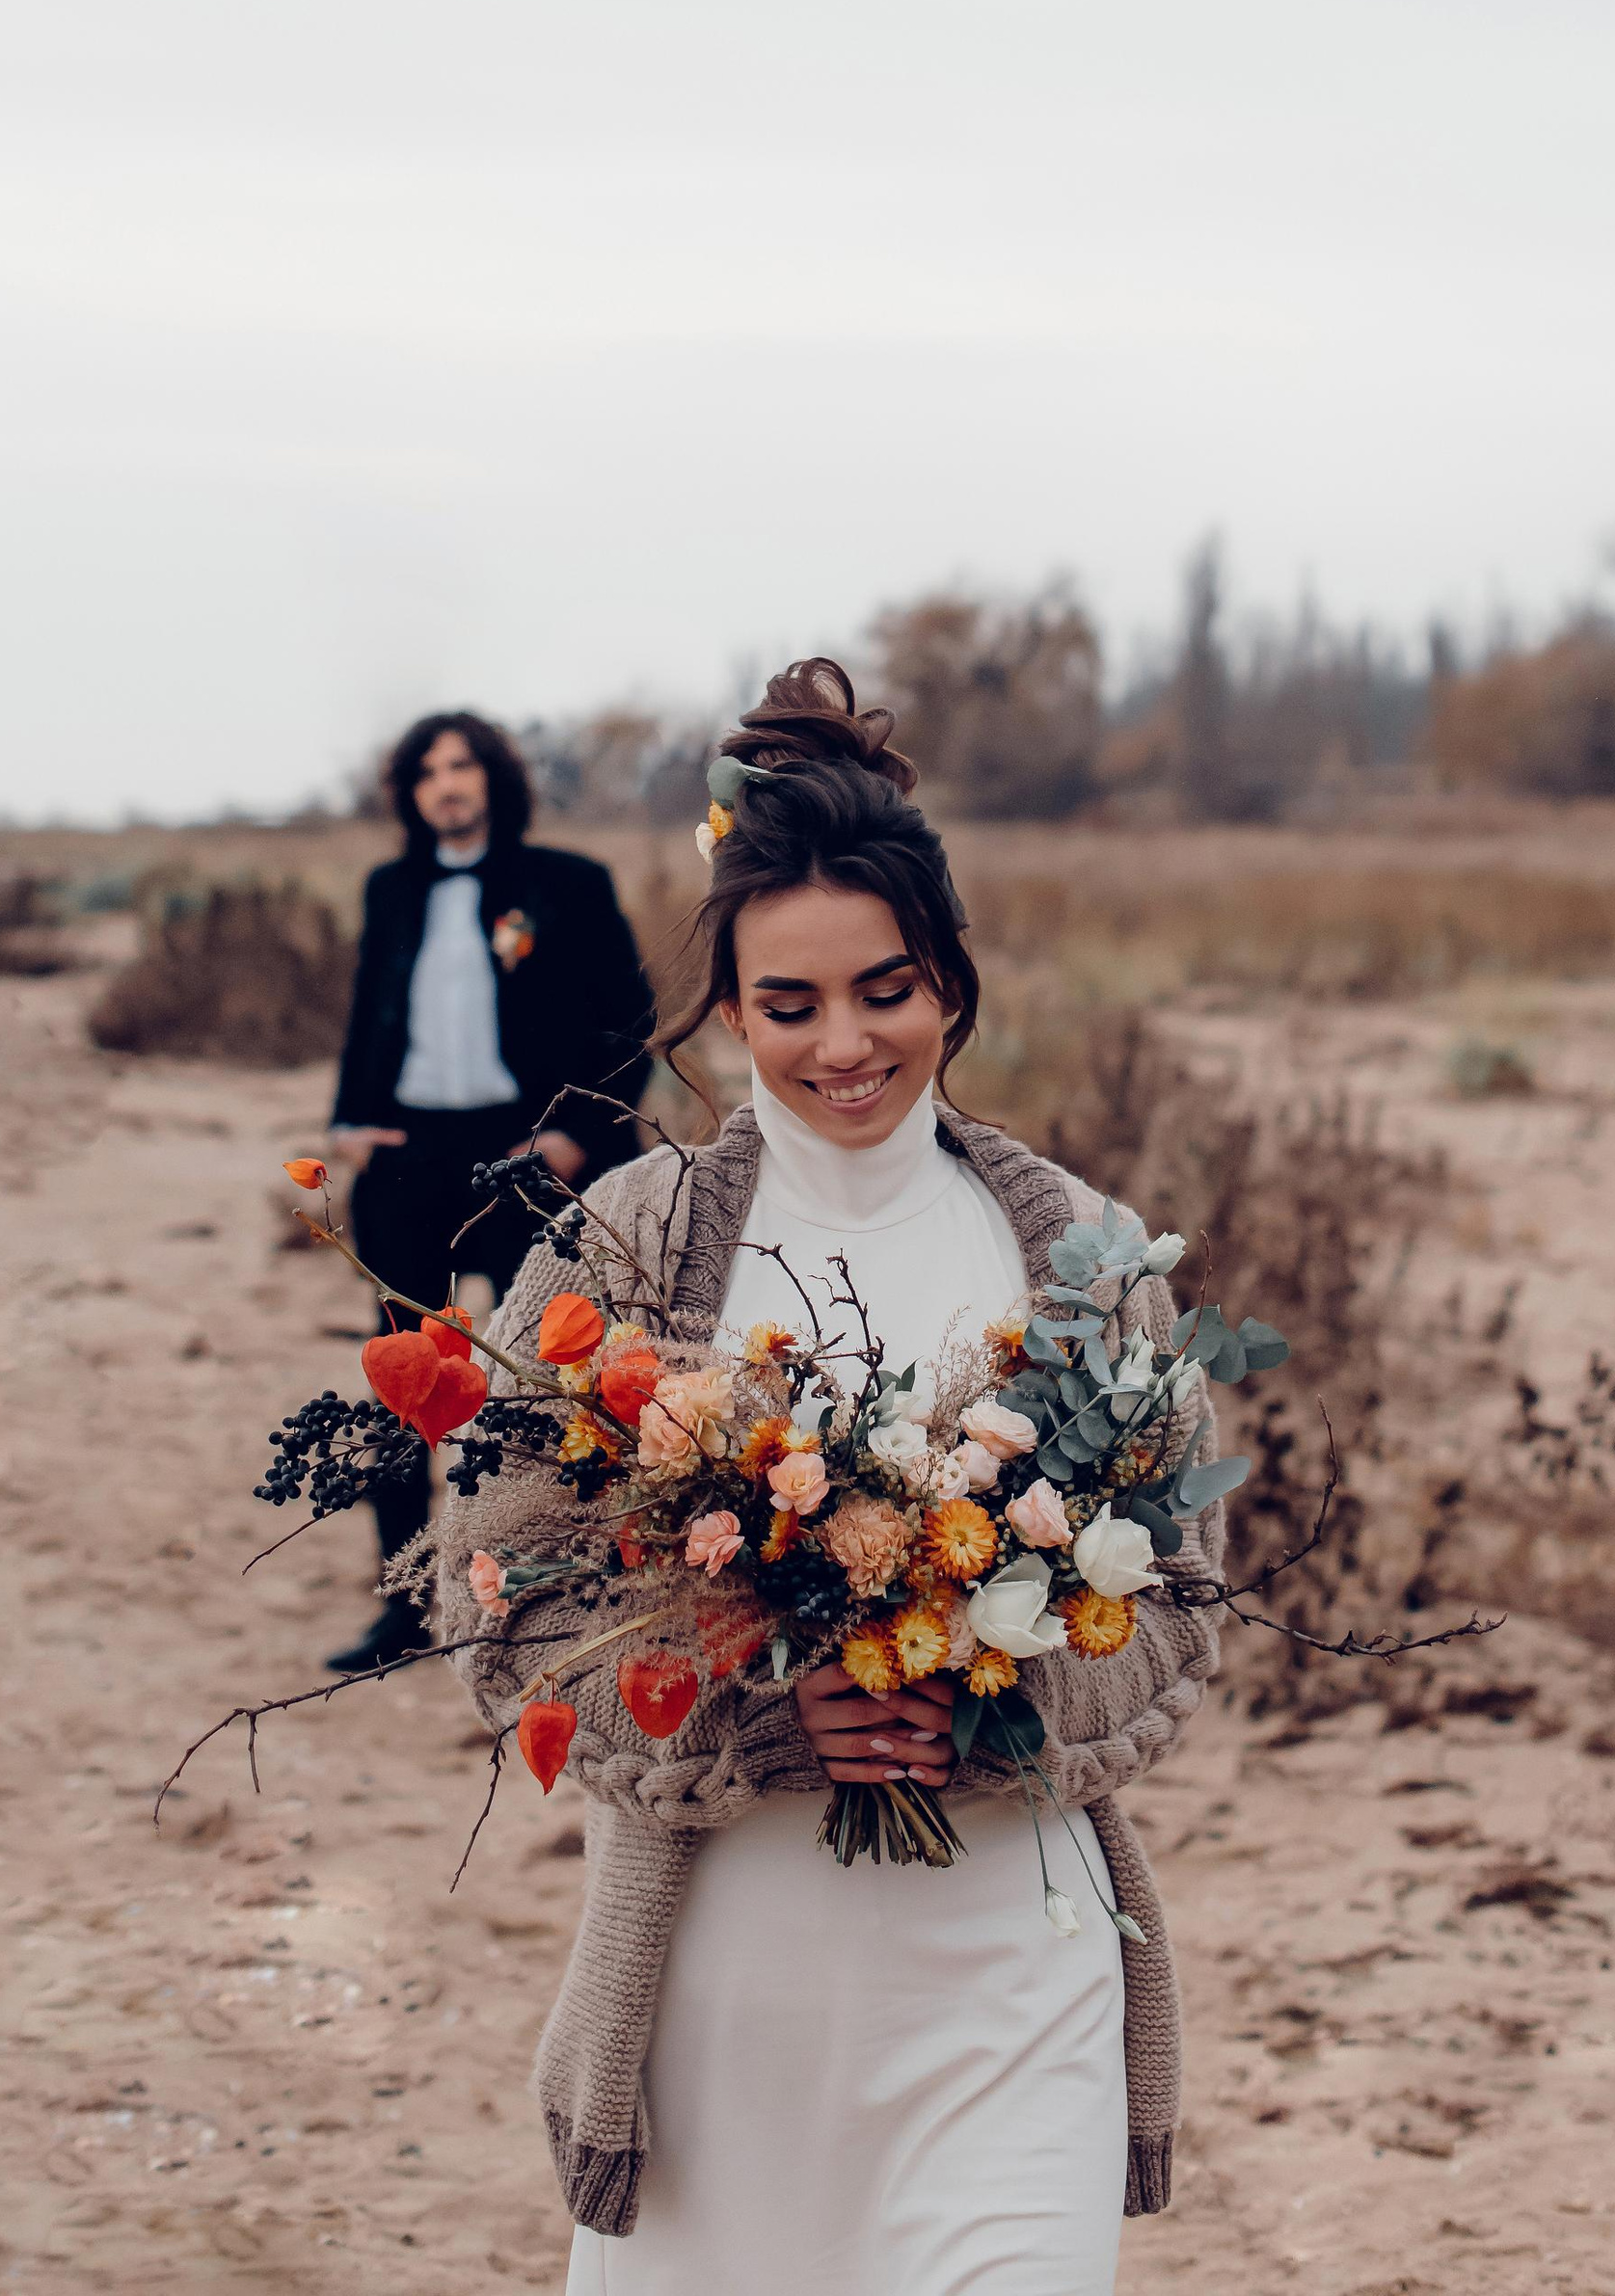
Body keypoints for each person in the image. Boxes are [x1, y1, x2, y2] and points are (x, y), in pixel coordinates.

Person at [436, 660, 1223, 2293]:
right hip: (725, 2019)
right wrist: (753, 1708)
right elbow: (499, 1602)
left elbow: (1184, 1606)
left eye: (887, 987)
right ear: (725, 1005)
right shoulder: (621, 1253)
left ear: (950, 976)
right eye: (788, 1004)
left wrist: (1005, 1700)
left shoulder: (1083, 1253)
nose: (845, 1042)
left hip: (1020, 1985)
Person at [324, 707, 654, 1672]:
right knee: (401, 1378)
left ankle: (544, 1590)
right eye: (428, 771)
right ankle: (406, 1600)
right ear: (410, 793)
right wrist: (349, 1118)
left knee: (542, 1379)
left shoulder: (566, 885)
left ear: (494, 780)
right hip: (409, 1152)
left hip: (525, 1153)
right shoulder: (392, 889)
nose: (447, 784)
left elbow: (628, 1023)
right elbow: (368, 1013)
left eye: (463, 765)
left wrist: (574, 1135)